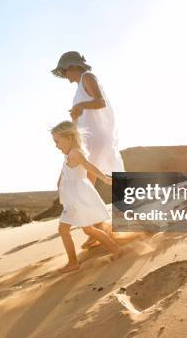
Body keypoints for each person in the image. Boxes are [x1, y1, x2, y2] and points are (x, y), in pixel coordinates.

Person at [51, 51, 125, 248]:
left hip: (96, 139)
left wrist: (81, 106)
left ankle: (97, 230)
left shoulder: (88, 77)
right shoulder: (78, 87)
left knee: (85, 186)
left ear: (72, 66)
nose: (64, 75)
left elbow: (100, 102)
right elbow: (84, 114)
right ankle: (97, 229)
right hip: (89, 140)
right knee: (86, 186)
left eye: (64, 71)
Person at [51, 121, 122, 273]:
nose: (56, 145)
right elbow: (67, 173)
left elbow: (89, 167)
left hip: (77, 199)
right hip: (73, 199)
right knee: (88, 230)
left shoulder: (75, 153)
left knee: (63, 229)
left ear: (69, 138)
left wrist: (104, 178)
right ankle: (115, 248)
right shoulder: (69, 155)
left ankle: (73, 262)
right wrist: (60, 181)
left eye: (57, 141)